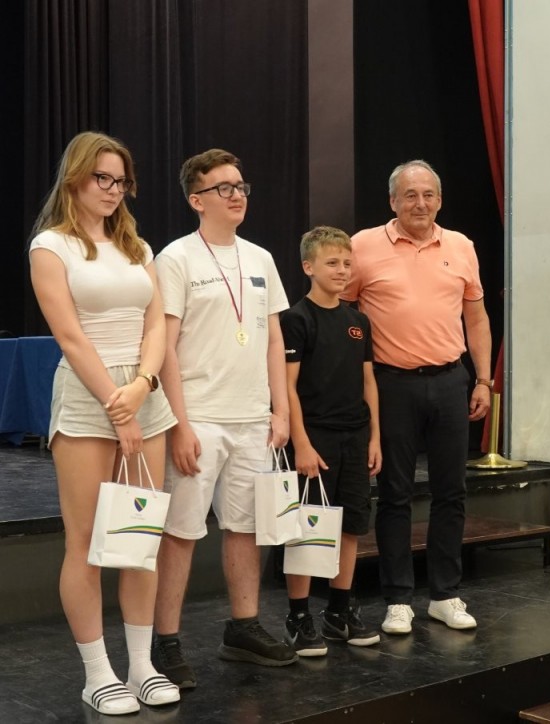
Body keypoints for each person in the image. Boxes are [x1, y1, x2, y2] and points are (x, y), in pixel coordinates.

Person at [29, 131, 180, 715]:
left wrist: (142, 386)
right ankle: (98, 674)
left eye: (121, 181)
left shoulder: (137, 246)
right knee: (88, 541)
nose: (114, 190)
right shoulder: (51, 246)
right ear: (76, 178)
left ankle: (141, 666)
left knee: (141, 536)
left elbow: (156, 325)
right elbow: (70, 336)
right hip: (88, 393)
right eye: (103, 178)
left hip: (144, 392)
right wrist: (118, 405)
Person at [152, 149, 296, 688]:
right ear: (197, 200)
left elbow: (275, 340)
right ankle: (165, 642)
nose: (237, 195)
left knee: (246, 527)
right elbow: (164, 347)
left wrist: (280, 410)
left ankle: (243, 628)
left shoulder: (260, 258)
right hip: (200, 418)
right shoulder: (176, 259)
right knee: (181, 532)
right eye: (224, 188)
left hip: (252, 419)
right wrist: (179, 424)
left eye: (241, 186)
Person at [342, 160, 492, 634]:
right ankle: (397, 600)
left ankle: (445, 595)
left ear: (439, 200)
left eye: (428, 194)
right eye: (410, 195)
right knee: (394, 494)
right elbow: (341, 315)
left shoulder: (462, 246)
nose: (420, 203)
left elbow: (476, 318)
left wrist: (483, 380)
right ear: (392, 201)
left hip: (450, 381)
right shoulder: (363, 246)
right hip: (391, 385)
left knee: (452, 492)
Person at [280, 225, 382, 654]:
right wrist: (301, 443)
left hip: (355, 436)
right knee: (308, 525)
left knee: (352, 524)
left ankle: (339, 611)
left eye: (346, 263)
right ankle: (299, 615)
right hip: (315, 437)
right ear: (308, 267)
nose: (342, 270)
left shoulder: (358, 321)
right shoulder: (295, 320)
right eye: (332, 263)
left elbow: (368, 382)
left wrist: (375, 437)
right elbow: (287, 388)